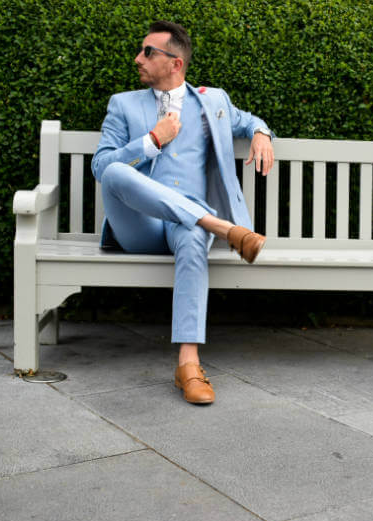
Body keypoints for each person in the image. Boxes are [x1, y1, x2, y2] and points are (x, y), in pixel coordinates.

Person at [91, 20, 274, 405]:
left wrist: (261, 133)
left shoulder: (213, 101)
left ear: (175, 63)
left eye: (148, 52)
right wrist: (152, 141)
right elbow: (100, 166)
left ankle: (188, 365)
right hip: (138, 226)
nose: (138, 58)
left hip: (185, 224)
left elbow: (249, 120)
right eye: (141, 51)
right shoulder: (123, 104)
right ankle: (224, 229)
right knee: (116, 171)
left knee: (192, 234)